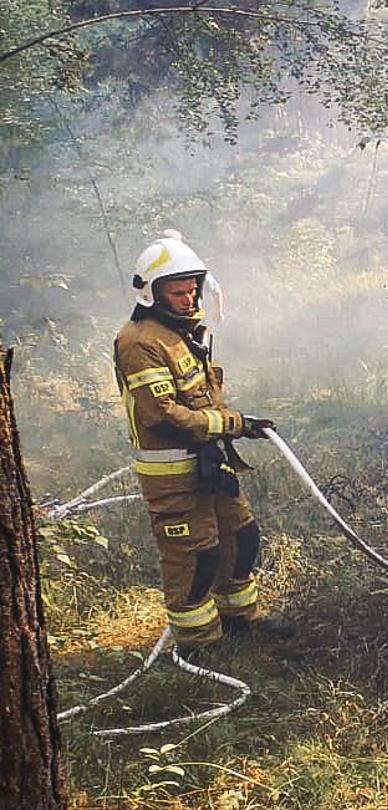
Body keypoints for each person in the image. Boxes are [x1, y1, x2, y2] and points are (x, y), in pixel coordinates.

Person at [113, 231, 278, 647]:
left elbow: (203, 396)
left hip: (208, 457)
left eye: (192, 290)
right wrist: (232, 425)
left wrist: (237, 422)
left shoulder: (185, 333)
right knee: (196, 555)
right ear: (152, 293)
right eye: (178, 293)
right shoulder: (138, 341)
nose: (189, 300)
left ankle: (242, 619)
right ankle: (201, 644)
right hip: (171, 470)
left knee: (241, 536)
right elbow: (163, 414)